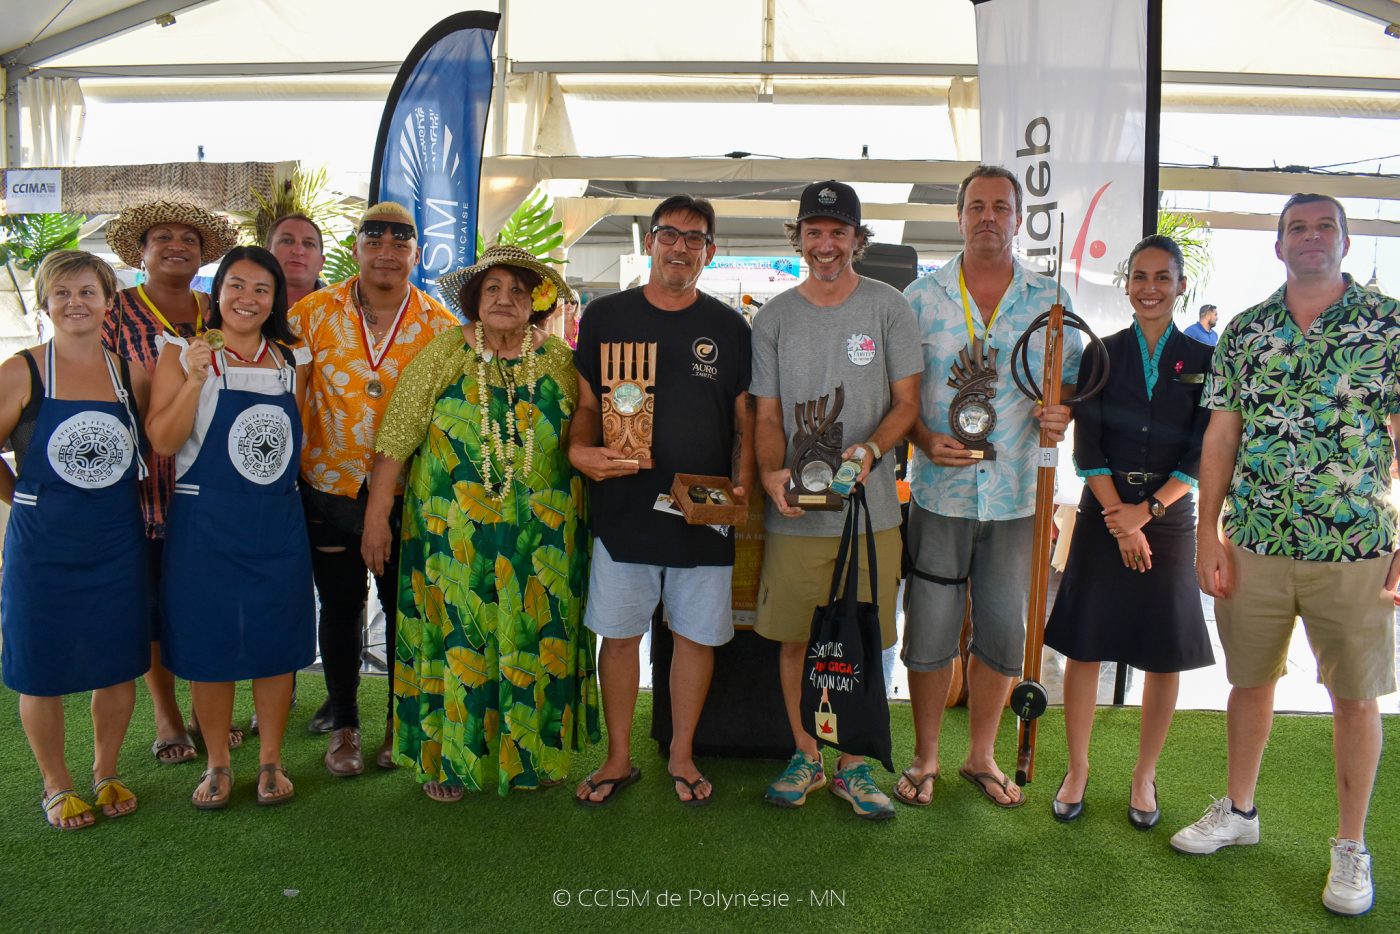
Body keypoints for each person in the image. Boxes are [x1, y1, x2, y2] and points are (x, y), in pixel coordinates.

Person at [1171, 193, 1399, 917]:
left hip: (1354, 541)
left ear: (1345, 240)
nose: (1310, 237)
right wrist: (1208, 532)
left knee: (1354, 696)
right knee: (1249, 682)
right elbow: (1220, 437)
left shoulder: (1388, 324)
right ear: (1278, 247)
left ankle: (1351, 847)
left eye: (1323, 226)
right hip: (1258, 542)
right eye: (1296, 228)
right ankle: (1239, 812)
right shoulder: (1246, 331)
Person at [362, 245, 599, 799]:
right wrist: (377, 518)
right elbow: (396, 439)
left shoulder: (561, 361)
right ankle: (448, 761)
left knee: (532, 638)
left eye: (518, 291)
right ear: (474, 299)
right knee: (456, 638)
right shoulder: (443, 353)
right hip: (451, 537)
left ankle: (531, 755)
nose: (505, 300)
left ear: (536, 302)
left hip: (543, 540)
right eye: (492, 289)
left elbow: (591, 430)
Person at [898, 165, 1080, 809]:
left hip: (1014, 499)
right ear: (959, 216)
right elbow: (900, 400)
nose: (988, 218)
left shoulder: (1050, 301)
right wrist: (921, 438)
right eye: (976, 206)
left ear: (1017, 217)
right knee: (930, 630)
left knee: (1003, 632)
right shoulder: (919, 300)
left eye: (1001, 207)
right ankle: (925, 758)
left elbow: (1066, 394)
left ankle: (980, 756)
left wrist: (1062, 414)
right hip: (938, 495)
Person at [569, 195, 754, 806]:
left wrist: (743, 486)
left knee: (695, 638)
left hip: (703, 513)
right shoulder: (604, 317)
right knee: (619, 638)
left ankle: (680, 754)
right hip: (624, 509)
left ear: (710, 251)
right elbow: (589, 406)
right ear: (650, 242)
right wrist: (580, 450)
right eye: (670, 234)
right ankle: (618, 757)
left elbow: (744, 422)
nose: (681, 247)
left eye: (695, 238)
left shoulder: (731, 328)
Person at [753, 180, 920, 821]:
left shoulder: (888, 308)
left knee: (864, 640)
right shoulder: (772, 319)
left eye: (838, 232)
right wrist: (772, 472)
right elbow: (766, 416)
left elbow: (906, 404)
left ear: (857, 239)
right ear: (799, 237)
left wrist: (871, 451)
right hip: (795, 511)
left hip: (870, 512)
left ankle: (853, 765)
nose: (826, 245)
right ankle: (806, 757)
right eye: (815, 232)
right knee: (798, 638)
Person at [1041, 235, 1214, 828]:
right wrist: (1120, 518)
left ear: (1181, 285)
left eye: (1162, 277)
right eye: (1139, 276)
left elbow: (1201, 451)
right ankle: (1078, 768)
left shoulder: (1203, 360)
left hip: (1167, 522)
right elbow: (1087, 447)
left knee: (1163, 654)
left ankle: (1145, 774)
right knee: (1085, 645)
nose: (1150, 287)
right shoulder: (1101, 354)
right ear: (1126, 284)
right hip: (1103, 514)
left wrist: (1150, 513)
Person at [289, 202, 458, 777]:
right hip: (327, 487)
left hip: (407, 494)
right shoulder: (312, 313)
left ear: (416, 252)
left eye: (400, 239)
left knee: (403, 610)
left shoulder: (439, 326)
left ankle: (397, 724)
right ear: (356, 247)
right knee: (339, 607)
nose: (387, 249)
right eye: (374, 237)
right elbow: (293, 395)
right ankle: (344, 727)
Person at [145, 246, 314, 809]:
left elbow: (299, 439)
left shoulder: (293, 361)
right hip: (205, 523)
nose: (248, 298)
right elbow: (164, 442)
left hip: (278, 521)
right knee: (208, 643)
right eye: (237, 285)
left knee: (276, 641)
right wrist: (193, 380)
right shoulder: (181, 353)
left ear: (275, 302)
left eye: (261, 290)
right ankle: (218, 763)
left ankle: (271, 761)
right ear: (217, 293)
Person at [0, 251, 151, 829]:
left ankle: (106, 771)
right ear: (45, 304)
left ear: (109, 302)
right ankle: (56, 783)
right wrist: (21, 497)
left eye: (87, 291)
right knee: (41, 666)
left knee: (116, 663)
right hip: (43, 546)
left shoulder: (131, 375)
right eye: (61, 293)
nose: (75, 303)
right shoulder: (21, 372)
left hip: (115, 539)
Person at [103, 200, 240, 765]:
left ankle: (215, 711)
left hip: (219, 484)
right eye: (163, 237)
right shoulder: (114, 312)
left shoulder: (223, 307)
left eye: (189, 237)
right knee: (156, 605)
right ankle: (168, 717)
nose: (177, 245)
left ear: (206, 251)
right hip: (146, 484)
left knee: (210, 600)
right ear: (142, 250)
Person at [267, 212, 328, 308]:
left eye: (308, 243)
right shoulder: (242, 302)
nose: (298, 251)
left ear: (321, 262)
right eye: (287, 241)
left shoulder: (346, 311)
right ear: (266, 254)